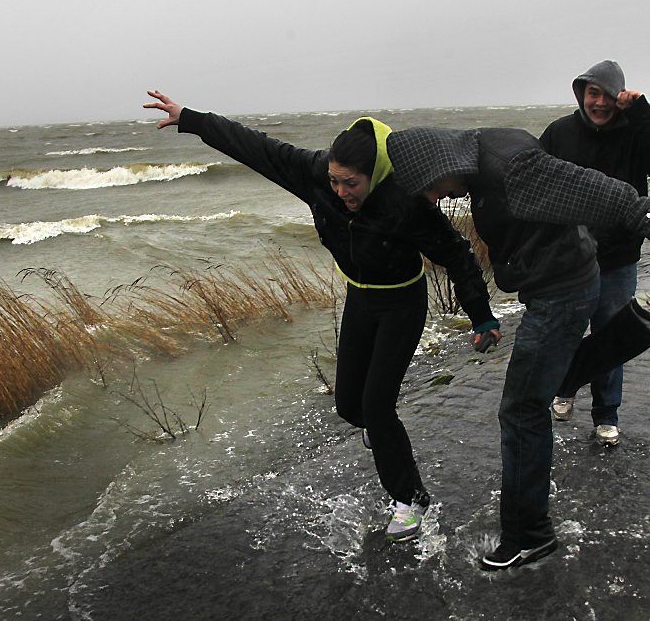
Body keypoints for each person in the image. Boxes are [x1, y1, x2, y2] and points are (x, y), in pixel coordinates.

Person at [143, 91, 501, 543]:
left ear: (375, 176)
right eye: (335, 182)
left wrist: (482, 318)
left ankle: (410, 501)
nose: (341, 193)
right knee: (350, 406)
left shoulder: (406, 202)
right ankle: (381, 435)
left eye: (351, 184)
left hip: (401, 303)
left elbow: (459, 256)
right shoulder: (316, 175)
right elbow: (254, 146)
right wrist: (190, 119)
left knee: (377, 406)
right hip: (360, 298)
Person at [384, 124, 650, 570]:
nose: (436, 198)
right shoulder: (485, 153)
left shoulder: (507, 167)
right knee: (553, 380)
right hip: (561, 280)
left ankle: (528, 535)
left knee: (521, 410)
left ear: (440, 164)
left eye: (431, 187)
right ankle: (639, 327)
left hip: (561, 291)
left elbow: (590, 186)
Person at [540, 60, 650, 446]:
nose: (599, 103)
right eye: (593, 93)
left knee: (610, 339)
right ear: (581, 93)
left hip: (618, 258)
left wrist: (640, 112)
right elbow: (536, 181)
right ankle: (565, 388)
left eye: (607, 95)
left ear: (619, 98)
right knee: (565, 331)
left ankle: (606, 414)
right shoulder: (559, 133)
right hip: (568, 259)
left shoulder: (633, 133)